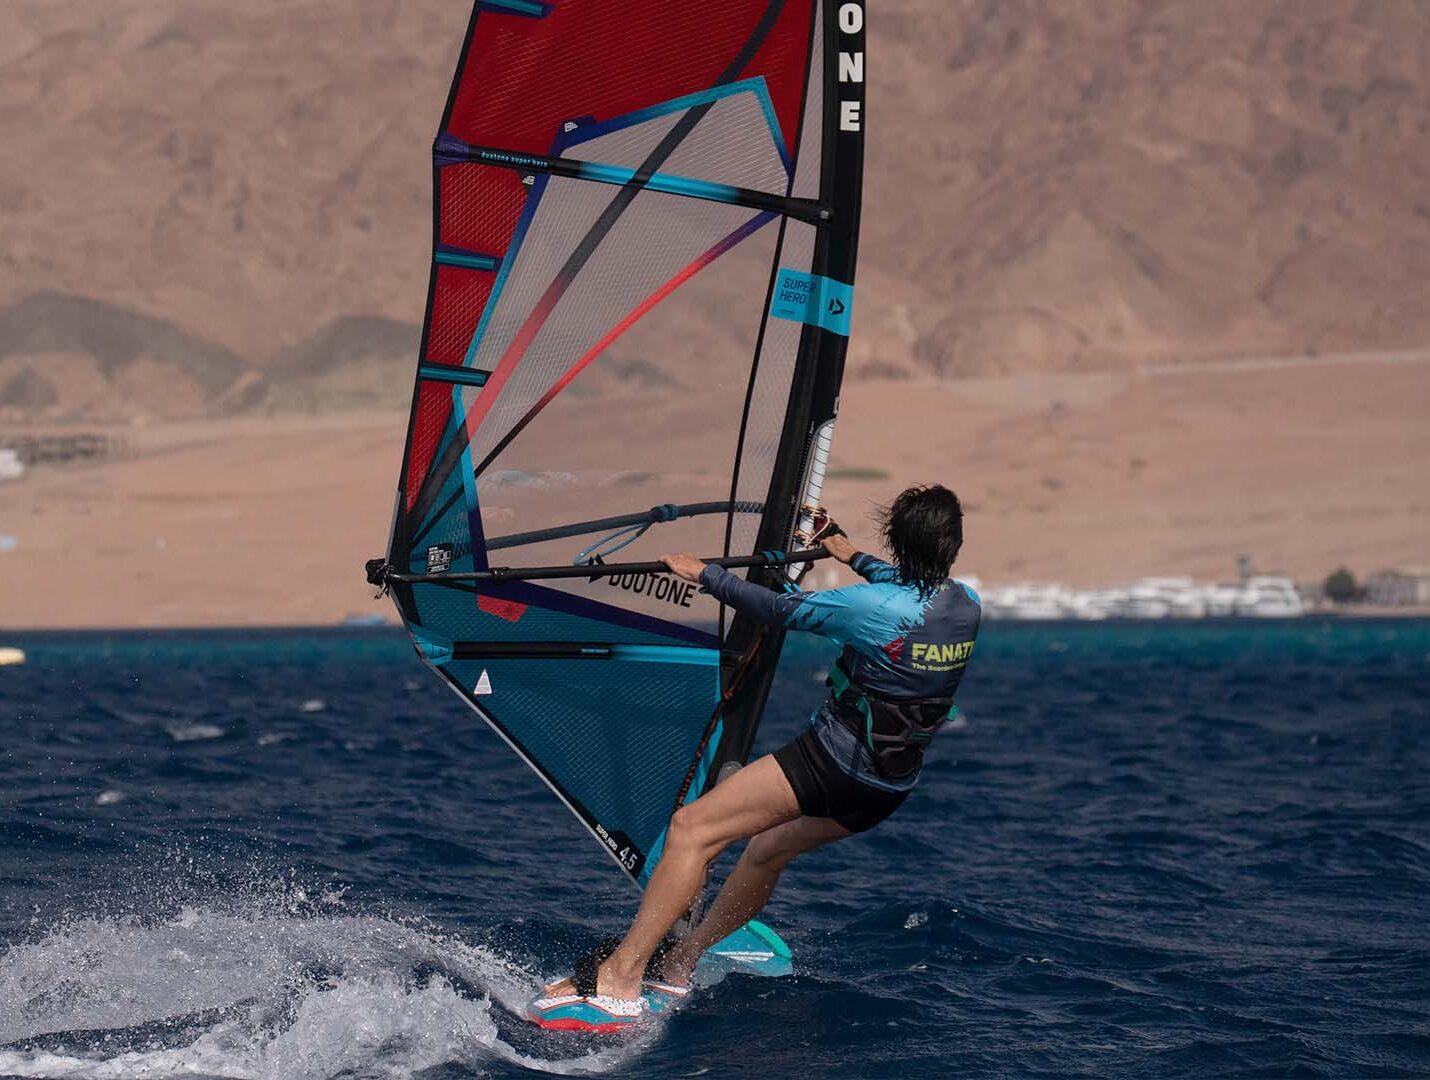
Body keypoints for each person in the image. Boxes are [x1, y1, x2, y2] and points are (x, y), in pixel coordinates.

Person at [546, 484, 980, 1010]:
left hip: (831, 766)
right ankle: (681, 963)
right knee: (765, 852)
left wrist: (705, 575)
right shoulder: (965, 603)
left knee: (692, 831)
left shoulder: (871, 609)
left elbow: (779, 608)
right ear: (949, 547)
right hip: (886, 787)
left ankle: (621, 976)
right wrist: (848, 553)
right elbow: (904, 587)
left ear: (900, 540)